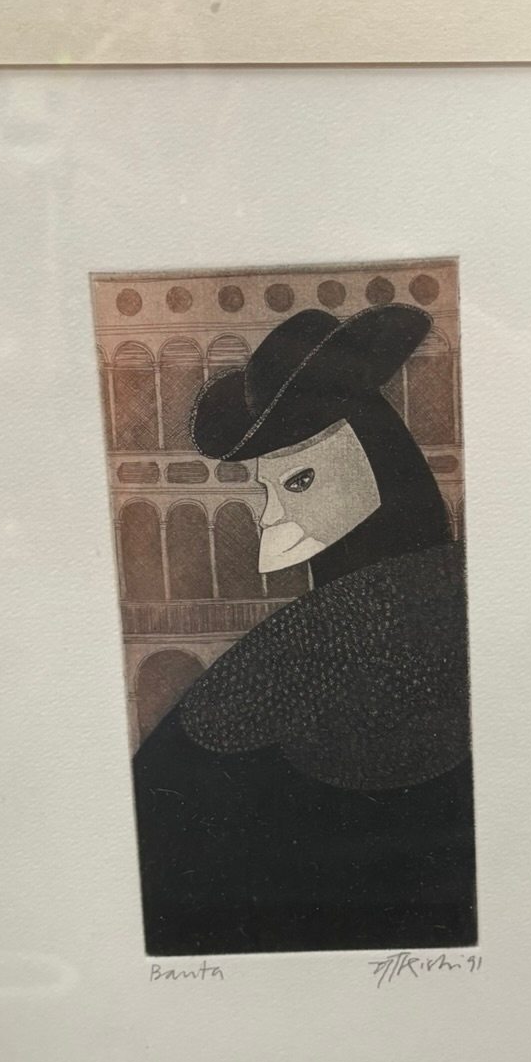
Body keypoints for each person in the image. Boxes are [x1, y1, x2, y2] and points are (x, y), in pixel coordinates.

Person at [131, 302, 476, 956]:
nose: (269, 521)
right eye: (267, 492)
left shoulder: (322, 636)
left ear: (378, 461)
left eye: (300, 480)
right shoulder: (414, 603)